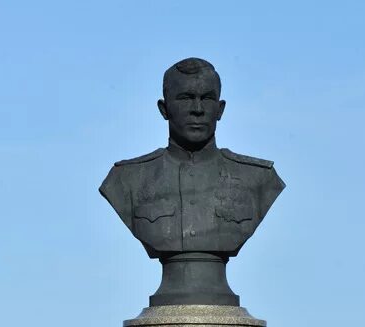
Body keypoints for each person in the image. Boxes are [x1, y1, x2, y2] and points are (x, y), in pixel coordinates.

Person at [99, 58, 285, 260]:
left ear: (220, 109)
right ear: (164, 109)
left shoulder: (258, 178)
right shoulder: (127, 179)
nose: (197, 109)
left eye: (206, 98)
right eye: (185, 98)